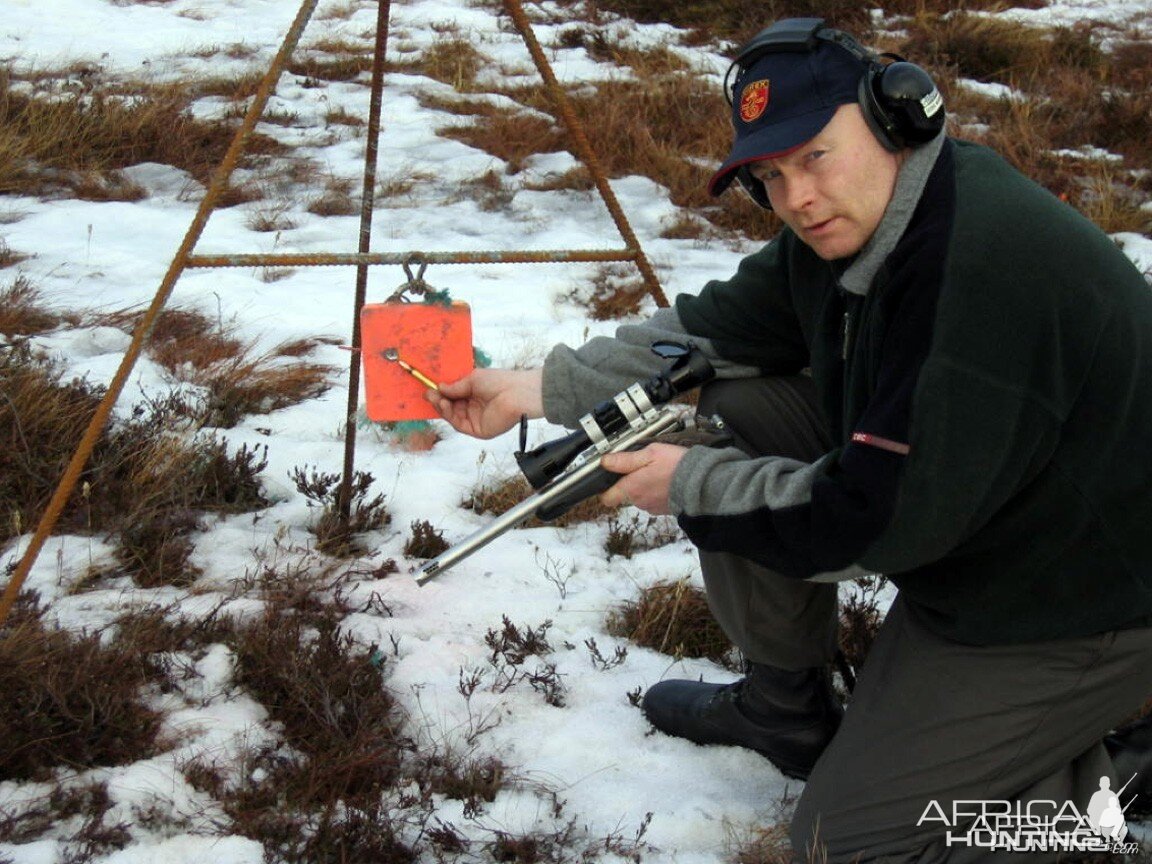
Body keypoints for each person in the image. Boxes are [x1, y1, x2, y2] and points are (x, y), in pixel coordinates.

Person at [427, 17, 1152, 863]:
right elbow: (699, 338)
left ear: (896, 119)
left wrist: (690, 483)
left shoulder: (977, 272)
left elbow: (873, 525)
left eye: (815, 155)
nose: (796, 196)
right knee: (734, 401)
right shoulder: (866, 216)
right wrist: (534, 389)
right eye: (769, 175)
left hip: (1075, 594)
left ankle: (1099, 795)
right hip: (981, 519)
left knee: (850, 844)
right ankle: (787, 707)